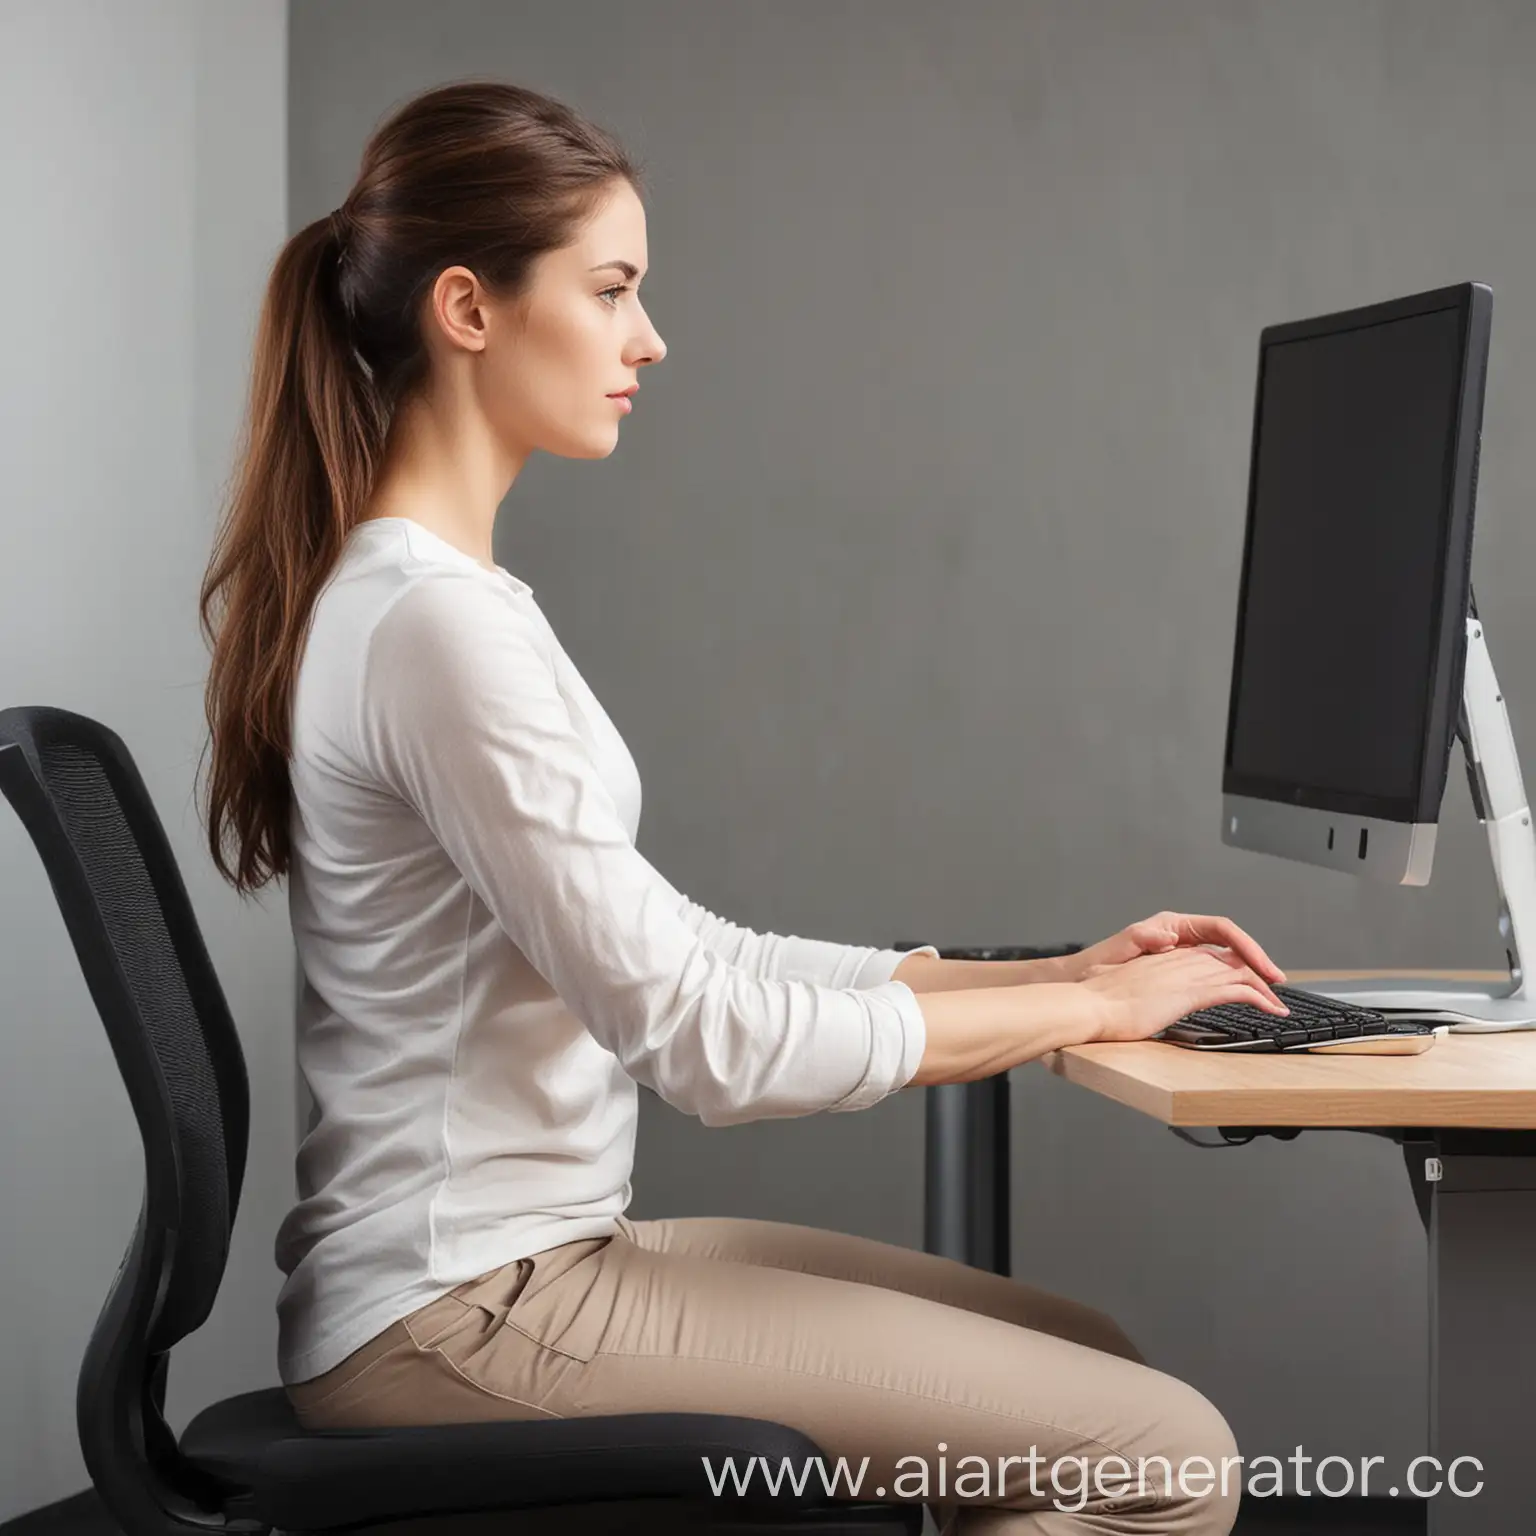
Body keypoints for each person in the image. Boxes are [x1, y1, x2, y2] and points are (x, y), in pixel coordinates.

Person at [197, 78, 1291, 1536]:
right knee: (1168, 1456)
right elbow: (700, 1040)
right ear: (469, 308)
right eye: (611, 289)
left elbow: (685, 949)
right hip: (462, 1314)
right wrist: (1086, 1020)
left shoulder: (444, 608)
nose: (649, 337)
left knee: (1088, 1368)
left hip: (523, 1260)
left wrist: (1062, 975)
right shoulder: (431, 631)